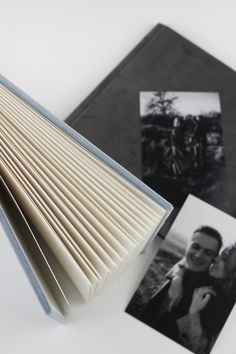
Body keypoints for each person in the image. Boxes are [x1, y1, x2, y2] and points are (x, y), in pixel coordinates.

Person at [141, 226, 222, 345]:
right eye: (195, 247)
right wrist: (177, 276)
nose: (199, 255)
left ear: (215, 258)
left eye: (208, 253)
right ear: (188, 245)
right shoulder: (182, 270)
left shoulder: (207, 296)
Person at [176, 244, 236, 354]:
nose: (215, 258)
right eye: (220, 255)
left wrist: (194, 313)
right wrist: (178, 277)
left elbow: (202, 351)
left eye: (224, 258)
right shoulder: (206, 282)